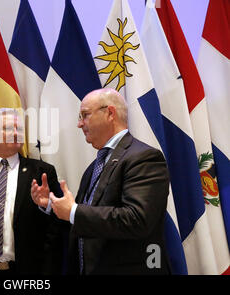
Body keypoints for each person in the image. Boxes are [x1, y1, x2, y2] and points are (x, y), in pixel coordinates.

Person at [31, 88, 171, 275]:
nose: (80, 124)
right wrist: (53, 206)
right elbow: (86, 220)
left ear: (110, 113)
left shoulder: (144, 157)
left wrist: (73, 211)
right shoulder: (94, 166)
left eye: (85, 115)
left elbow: (136, 219)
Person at [0, 108, 65, 275]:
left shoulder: (41, 171)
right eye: (8, 128)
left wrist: (47, 207)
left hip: (25, 270)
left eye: (19, 129)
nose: (16, 133)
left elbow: (59, 222)